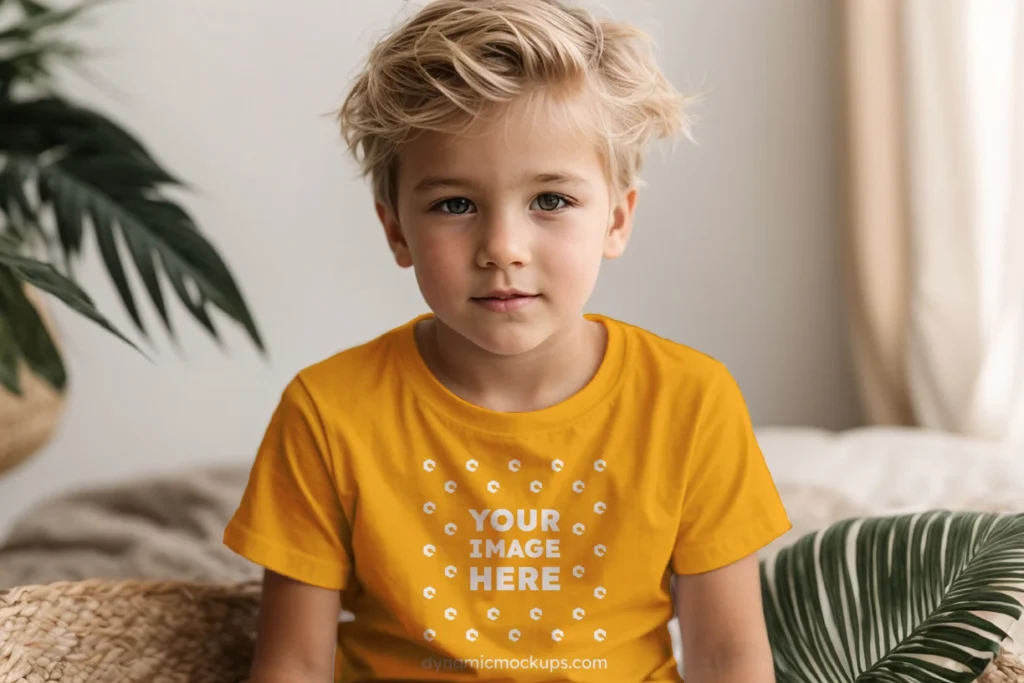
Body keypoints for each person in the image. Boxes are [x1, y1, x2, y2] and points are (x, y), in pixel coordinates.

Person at [223, 0, 792, 680]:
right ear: (396, 230)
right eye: (455, 205)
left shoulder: (692, 401)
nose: (502, 248)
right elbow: (292, 664)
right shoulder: (326, 411)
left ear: (616, 218)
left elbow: (728, 657)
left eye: (550, 200)